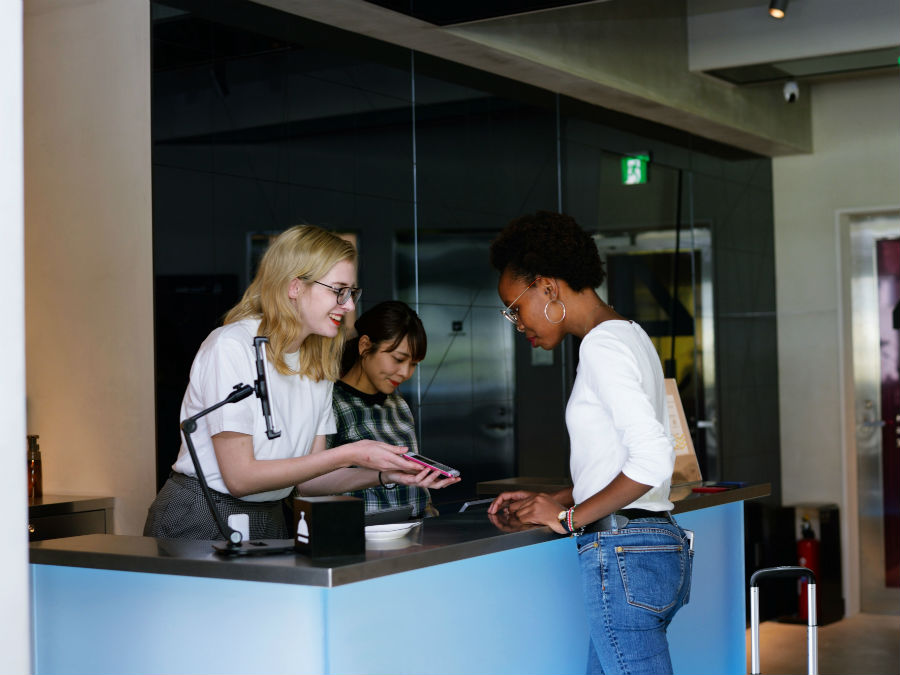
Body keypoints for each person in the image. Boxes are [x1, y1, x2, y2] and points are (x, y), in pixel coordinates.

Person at [485, 211, 693, 675]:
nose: (517, 323)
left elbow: (654, 459)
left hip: (624, 553)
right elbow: (618, 462)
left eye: (515, 307)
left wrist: (566, 518)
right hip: (648, 546)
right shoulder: (630, 335)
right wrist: (555, 499)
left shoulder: (602, 345)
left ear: (548, 287)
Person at [144, 225, 441, 540]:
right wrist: (352, 453)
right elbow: (240, 479)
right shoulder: (231, 346)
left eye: (352, 292)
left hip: (269, 517)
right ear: (295, 287)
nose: (349, 305)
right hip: (200, 514)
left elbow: (308, 482)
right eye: (338, 290)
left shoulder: (319, 362)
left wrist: (382, 474)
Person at [327, 301, 459, 517]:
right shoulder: (332, 404)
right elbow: (311, 485)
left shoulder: (398, 404)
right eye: (398, 359)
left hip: (418, 530)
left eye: (414, 364)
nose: (405, 373)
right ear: (365, 346)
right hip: (365, 538)